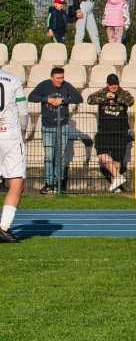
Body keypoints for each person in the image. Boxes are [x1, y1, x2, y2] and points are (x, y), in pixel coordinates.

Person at [28, 67, 83, 194]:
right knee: (48, 155)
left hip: (62, 125)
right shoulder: (44, 85)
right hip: (47, 125)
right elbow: (31, 97)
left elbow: (78, 98)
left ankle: (59, 182)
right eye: (58, 78)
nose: (60, 80)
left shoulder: (66, 86)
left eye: (62, 77)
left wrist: (63, 100)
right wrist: (47, 99)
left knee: (60, 155)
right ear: (51, 78)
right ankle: (49, 183)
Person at [86, 74, 135, 192]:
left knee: (117, 160)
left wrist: (116, 97)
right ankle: (118, 177)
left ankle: (116, 186)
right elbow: (89, 100)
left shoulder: (123, 93)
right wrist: (105, 98)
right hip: (104, 131)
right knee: (101, 154)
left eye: (116, 84)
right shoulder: (102, 92)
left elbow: (131, 101)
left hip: (120, 132)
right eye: (112, 84)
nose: (114, 86)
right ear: (107, 84)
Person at [0, 63, 28, 242]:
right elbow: (23, 111)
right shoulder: (13, 79)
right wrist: (23, 130)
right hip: (9, 135)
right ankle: (3, 227)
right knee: (16, 181)